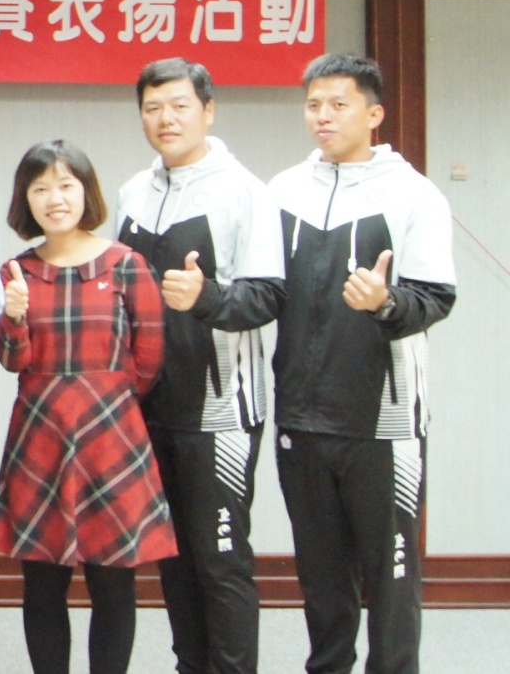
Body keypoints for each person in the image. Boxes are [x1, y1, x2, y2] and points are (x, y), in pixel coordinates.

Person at [179, 53, 456, 674]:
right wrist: (208, 298)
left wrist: (386, 302)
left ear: (374, 114)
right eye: (313, 105)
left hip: (384, 425)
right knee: (323, 580)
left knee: (391, 580)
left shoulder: (414, 194)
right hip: (301, 419)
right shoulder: (283, 191)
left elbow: (435, 297)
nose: (323, 117)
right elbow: (263, 295)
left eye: (338, 105)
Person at [112, 58, 285, 674]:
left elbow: (268, 295)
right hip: (147, 406)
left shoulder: (244, 191)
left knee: (220, 558)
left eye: (180, 106)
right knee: (173, 556)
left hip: (220, 409)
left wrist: (206, 297)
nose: (167, 119)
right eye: (153, 108)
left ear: (208, 111)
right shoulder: (133, 192)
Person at [0, 140, 176, 674]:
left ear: (86, 192)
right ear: (26, 200)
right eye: (41, 188)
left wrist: (105, 400)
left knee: (113, 583)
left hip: (113, 437)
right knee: (42, 584)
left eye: (66, 185)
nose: (55, 198)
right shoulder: (17, 271)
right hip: (40, 436)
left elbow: (149, 358)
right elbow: (12, 360)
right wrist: (14, 318)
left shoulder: (126, 265)